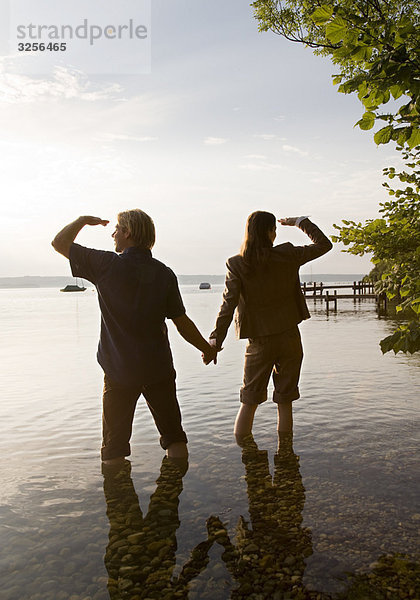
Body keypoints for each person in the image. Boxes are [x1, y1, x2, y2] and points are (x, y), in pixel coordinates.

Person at [52, 210, 217, 465]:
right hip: (158, 369)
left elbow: (59, 243)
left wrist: (83, 221)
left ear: (128, 233)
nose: (113, 233)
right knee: (175, 439)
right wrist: (206, 348)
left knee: (114, 448)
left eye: (117, 228)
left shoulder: (106, 265)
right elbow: (182, 323)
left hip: (119, 371)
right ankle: (173, 495)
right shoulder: (164, 273)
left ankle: (120, 501)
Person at [208, 213, 332, 438]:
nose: (275, 233)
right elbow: (324, 244)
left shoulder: (237, 263)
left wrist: (215, 340)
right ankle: (286, 456)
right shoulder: (287, 255)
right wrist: (300, 222)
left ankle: (247, 458)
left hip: (259, 342)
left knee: (249, 401)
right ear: (268, 232)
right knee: (285, 401)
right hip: (290, 338)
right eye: (273, 228)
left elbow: (228, 305)